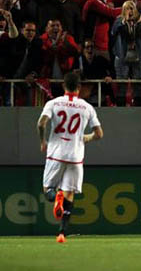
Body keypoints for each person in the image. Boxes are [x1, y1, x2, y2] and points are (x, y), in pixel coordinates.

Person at [37, 72, 104, 243]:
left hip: (55, 154)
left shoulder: (53, 103)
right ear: (79, 88)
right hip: (75, 156)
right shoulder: (87, 107)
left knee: (48, 191)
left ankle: (55, 195)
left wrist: (43, 140)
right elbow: (99, 134)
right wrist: (85, 138)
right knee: (70, 195)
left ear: (63, 86)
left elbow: (41, 123)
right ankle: (62, 233)